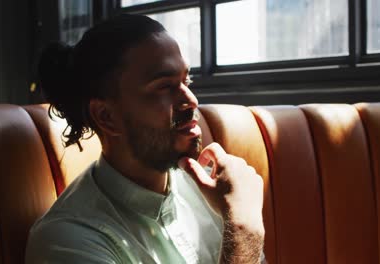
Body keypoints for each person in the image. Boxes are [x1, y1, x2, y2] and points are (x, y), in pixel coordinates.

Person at [26, 14, 266, 264]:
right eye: (164, 86)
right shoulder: (66, 240)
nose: (191, 100)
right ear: (107, 117)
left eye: (186, 80)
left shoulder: (213, 190)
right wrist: (244, 230)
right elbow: (245, 237)